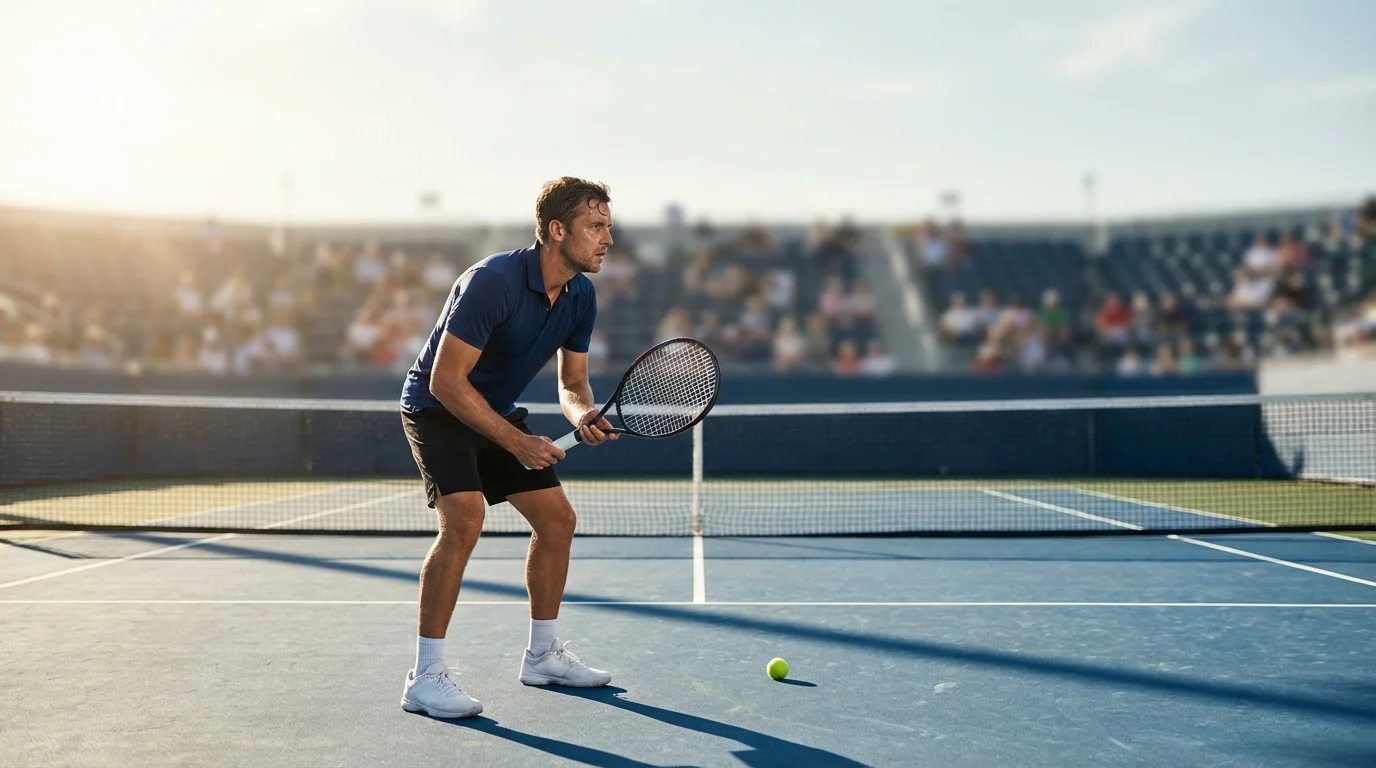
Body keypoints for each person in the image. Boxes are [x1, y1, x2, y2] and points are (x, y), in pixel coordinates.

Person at [397, 177, 618, 719]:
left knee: (557, 521)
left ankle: (542, 657)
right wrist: (518, 442)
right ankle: (424, 679)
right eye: (596, 226)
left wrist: (581, 413)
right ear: (557, 230)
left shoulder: (581, 295)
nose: (608, 238)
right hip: (436, 407)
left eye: (609, 226)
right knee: (465, 521)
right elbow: (447, 383)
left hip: (491, 409)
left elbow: (573, 381)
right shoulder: (491, 282)